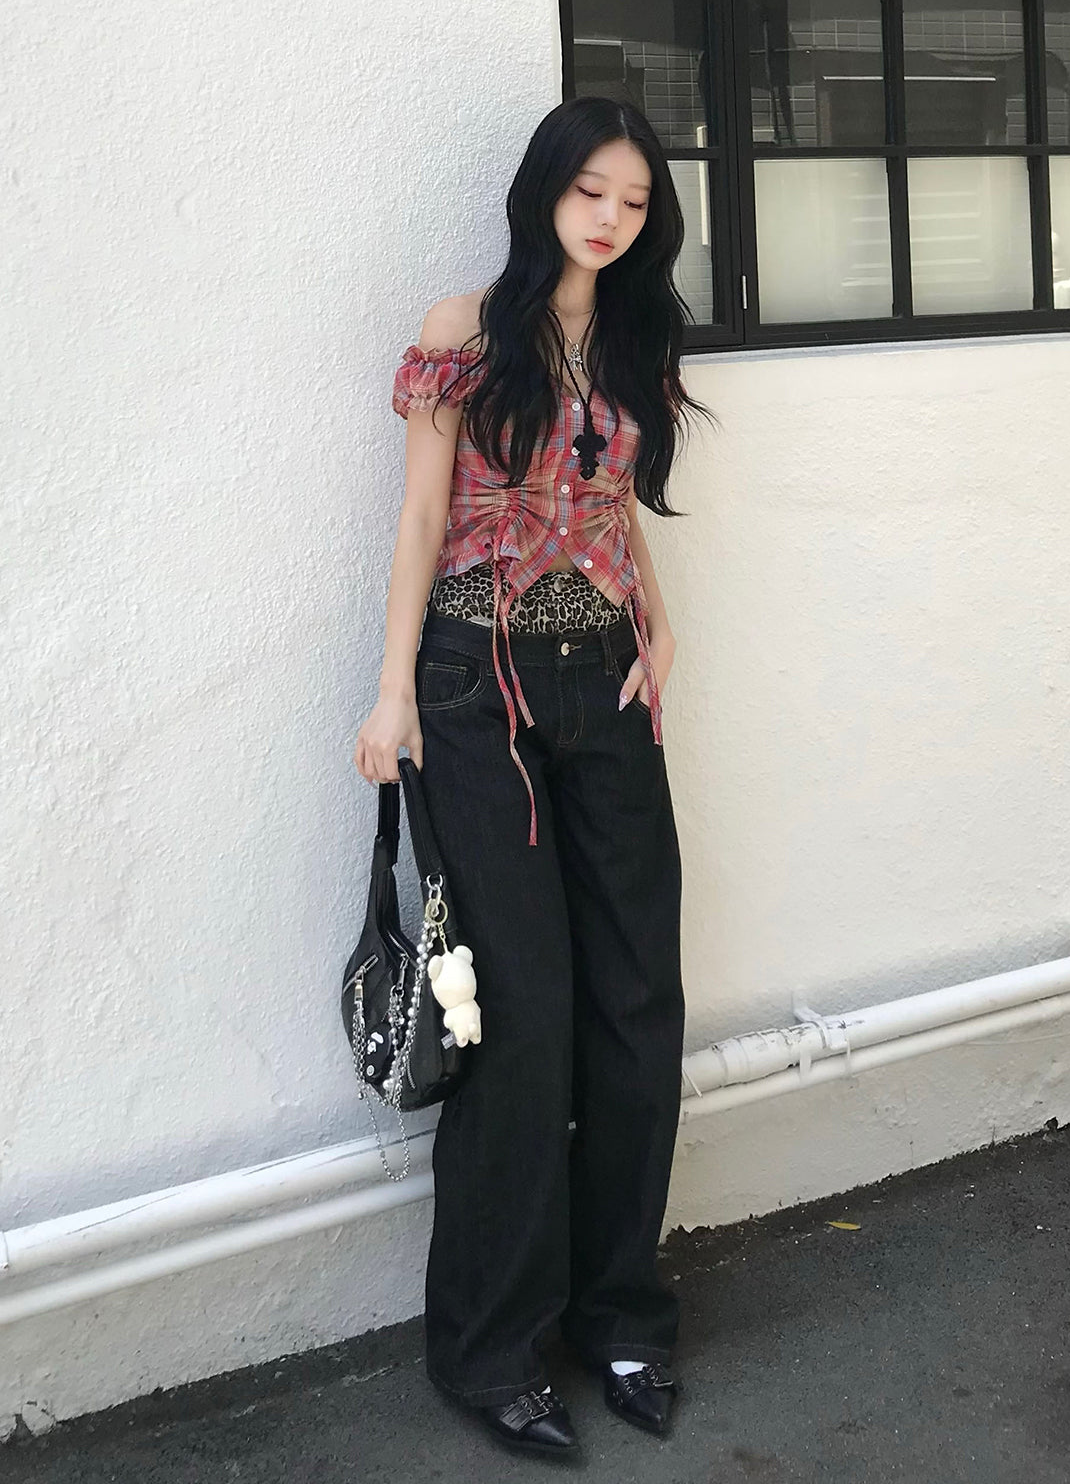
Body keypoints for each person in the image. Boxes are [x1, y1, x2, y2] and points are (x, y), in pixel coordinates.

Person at [354, 95, 717, 1459]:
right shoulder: (466, 330)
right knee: (520, 1017)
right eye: (589, 190)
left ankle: (622, 1316)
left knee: (636, 999)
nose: (610, 217)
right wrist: (393, 688)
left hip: (607, 679)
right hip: (475, 686)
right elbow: (423, 515)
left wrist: (660, 624)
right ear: (545, 191)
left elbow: (611, 501)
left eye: (634, 199)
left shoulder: (634, 334)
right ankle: (491, 1346)